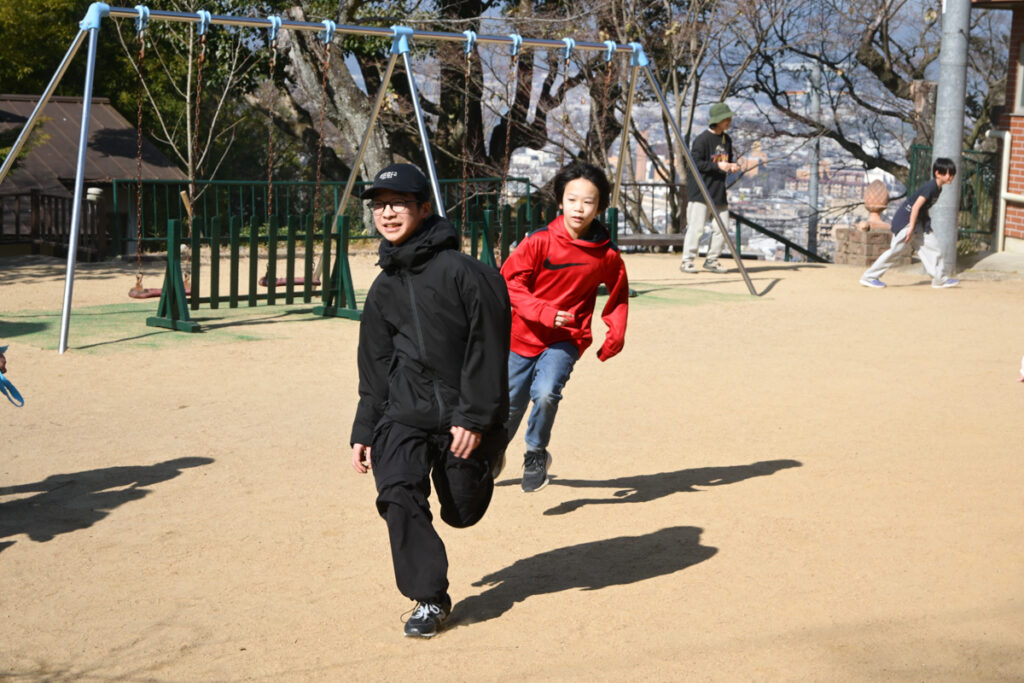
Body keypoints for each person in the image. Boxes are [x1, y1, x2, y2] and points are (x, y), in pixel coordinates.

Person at [349, 163, 511, 638]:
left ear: (423, 208)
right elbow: (375, 364)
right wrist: (365, 428)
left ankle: (484, 463)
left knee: (461, 512)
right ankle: (429, 598)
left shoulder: (466, 274)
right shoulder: (383, 289)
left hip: (465, 414)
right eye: (379, 205)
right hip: (405, 411)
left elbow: (488, 348)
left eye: (398, 203)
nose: (387, 213)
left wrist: (477, 418)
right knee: (396, 490)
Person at [500, 161, 629, 493]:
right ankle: (494, 450)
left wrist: (615, 333)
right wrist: (542, 312)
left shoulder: (606, 254)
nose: (579, 208)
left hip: (566, 338)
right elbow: (509, 282)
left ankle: (535, 453)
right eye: (572, 200)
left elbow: (619, 292)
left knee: (546, 393)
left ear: (600, 207)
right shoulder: (538, 242)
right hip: (522, 335)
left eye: (588, 201)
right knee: (510, 403)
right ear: (560, 201)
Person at [860, 157, 960, 289]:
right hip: (906, 221)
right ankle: (869, 277)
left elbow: (925, 207)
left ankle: (939, 279)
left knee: (933, 248)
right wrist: (911, 228)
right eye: (947, 173)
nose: (950, 176)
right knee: (895, 251)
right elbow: (915, 207)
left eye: (952, 173)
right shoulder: (931, 187)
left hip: (918, 222)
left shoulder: (938, 188)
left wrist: (926, 225)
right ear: (937, 173)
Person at [680, 101, 741, 274]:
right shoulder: (702, 140)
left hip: (718, 191)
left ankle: (712, 259)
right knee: (696, 227)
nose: (729, 121)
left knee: (723, 227)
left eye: (729, 118)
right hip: (700, 191)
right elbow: (695, 164)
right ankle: (687, 260)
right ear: (717, 120)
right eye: (726, 119)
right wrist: (718, 166)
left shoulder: (726, 139)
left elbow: (725, 160)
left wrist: (731, 166)